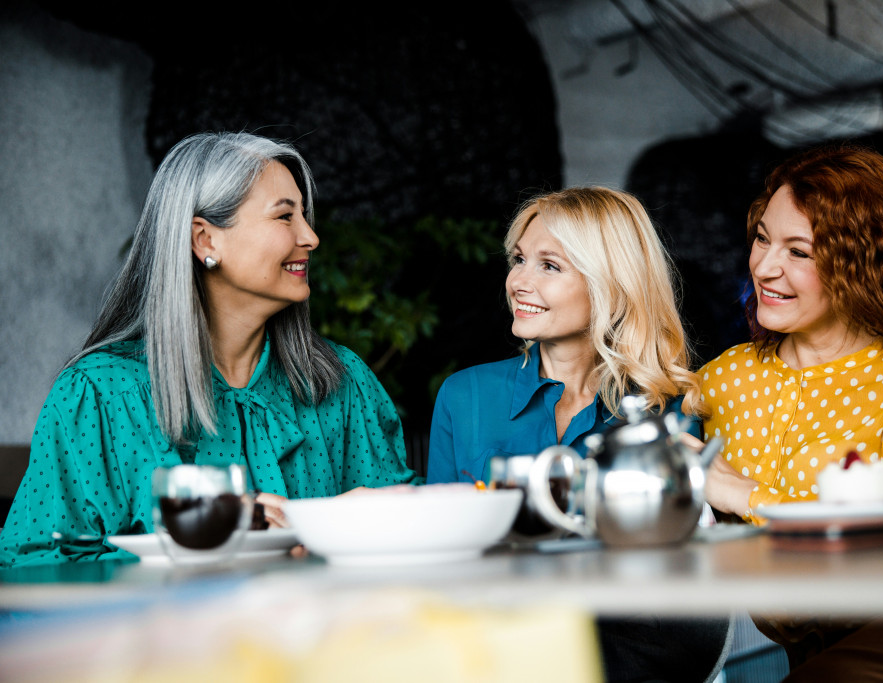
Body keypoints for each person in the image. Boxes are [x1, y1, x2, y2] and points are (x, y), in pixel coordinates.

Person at [0, 132, 420, 567]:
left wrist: (338, 526)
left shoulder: (341, 382)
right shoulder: (97, 397)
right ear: (205, 240)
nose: (310, 237)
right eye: (284, 217)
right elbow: (35, 567)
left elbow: (411, 542)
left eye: (305, 216)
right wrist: (213, 538)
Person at [699, 144, 883, 680]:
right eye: (762, 237)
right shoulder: (724, 380)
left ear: (865, 266)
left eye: (799, 252)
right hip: (811, 657)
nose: (765, 266)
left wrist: (745, 496)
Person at [428, 186, 730, 683]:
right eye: (519, 259)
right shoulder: (465, 396)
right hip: (493, 649)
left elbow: (681, 580)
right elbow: (440, 552)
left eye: (549, 266)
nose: (519, 281)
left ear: (609, 283)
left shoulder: (670, 407)